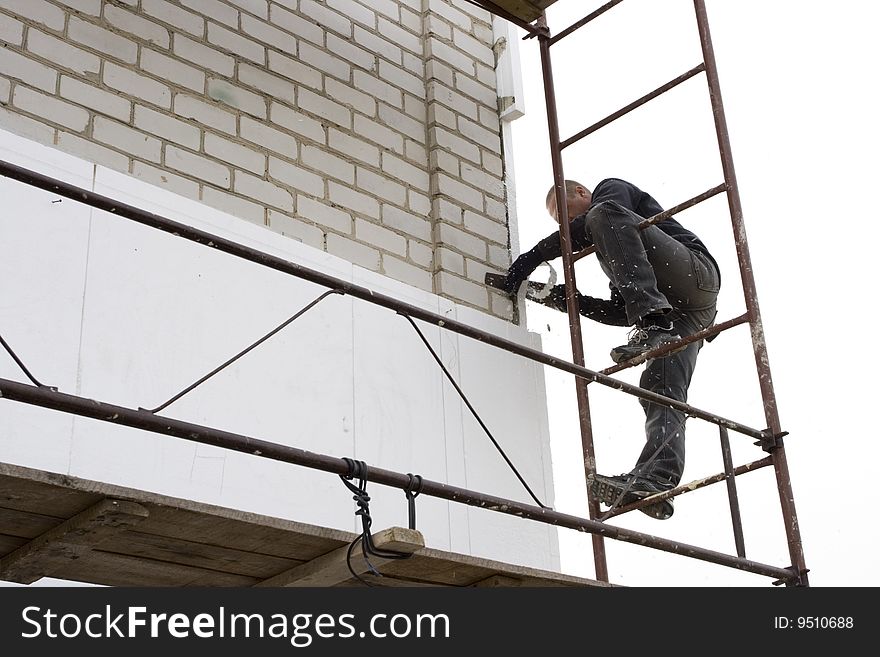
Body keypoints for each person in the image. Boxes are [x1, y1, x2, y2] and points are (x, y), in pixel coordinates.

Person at [502, 178, 720, 519]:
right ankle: (656, 480)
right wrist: (559, 298)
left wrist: (535, 255)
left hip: (696, 277)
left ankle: (654, 323)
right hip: (682, 314)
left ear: (580, 193)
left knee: (602, 215)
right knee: (660, 391)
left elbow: (597, 218)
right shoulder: (621, 249)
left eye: (563, 214)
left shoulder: (610, 195)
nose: (564, 224)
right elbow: (620, 311)